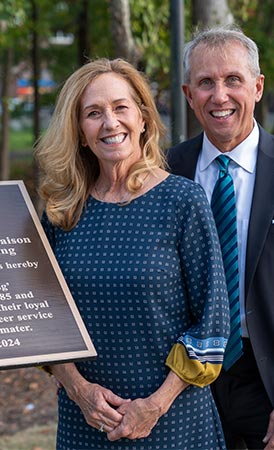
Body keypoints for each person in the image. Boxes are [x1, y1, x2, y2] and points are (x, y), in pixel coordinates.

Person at [35, 57, 230, 449]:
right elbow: (44, 321)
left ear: (142, 118)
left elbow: (213, 322)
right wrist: (77, 389)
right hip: (85, 422)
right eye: (93, 113)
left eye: (120, 108)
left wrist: (155, 405)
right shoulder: (62, 211)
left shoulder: (182, 201)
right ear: (80, 131)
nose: (110, 123)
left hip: (173, 422)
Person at [167, 26, 274, 450]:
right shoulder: (164, 171)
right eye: (206, 83)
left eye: (233, 80)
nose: (220, 95)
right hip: (183, 378)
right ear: (188, 93)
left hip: (263, 377)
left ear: (258, 87)